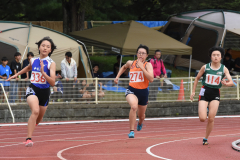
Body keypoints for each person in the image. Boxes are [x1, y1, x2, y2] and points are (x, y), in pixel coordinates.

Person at [7, 36, 56, 147]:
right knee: (35, 111)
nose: (45, 48)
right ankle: (28, 139)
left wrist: (44, 73)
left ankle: (34, 124)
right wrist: (15, 75)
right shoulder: (33, 60)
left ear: (50, 50)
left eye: (48, 47)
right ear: (39, 47)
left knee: (39, 118)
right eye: (43, 45)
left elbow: (52, 82)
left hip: (45, 91)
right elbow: (28, 68)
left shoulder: (51, 63)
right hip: (33, 88)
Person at [190, 46, 234, 145]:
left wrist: (227, 83)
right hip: (204, 91)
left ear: (221, 57)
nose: (215, 57)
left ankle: (205, 138)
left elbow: (231, 82)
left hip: (215, 93)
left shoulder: (224, 69)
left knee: (211, 118)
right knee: (202, 118)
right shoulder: (205, 67)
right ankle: (206, 108)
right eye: (214, 55)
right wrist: (193, 91)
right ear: (210, 56)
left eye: (218, 55)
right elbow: (197, 78)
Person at [114, 44, 154, 138]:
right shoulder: (130, 63)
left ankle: (140, 123)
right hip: (131, 90)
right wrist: (117, 77)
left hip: (143, 93)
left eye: (143, 53)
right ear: (136, 54)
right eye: (139, 53)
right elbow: (124, 67)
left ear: (147, 55)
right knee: (133, 107)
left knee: (141, 116)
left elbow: (151, 79)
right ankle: (131, 131)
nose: (141, 55)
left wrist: (142, 67)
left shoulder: (148, 65)